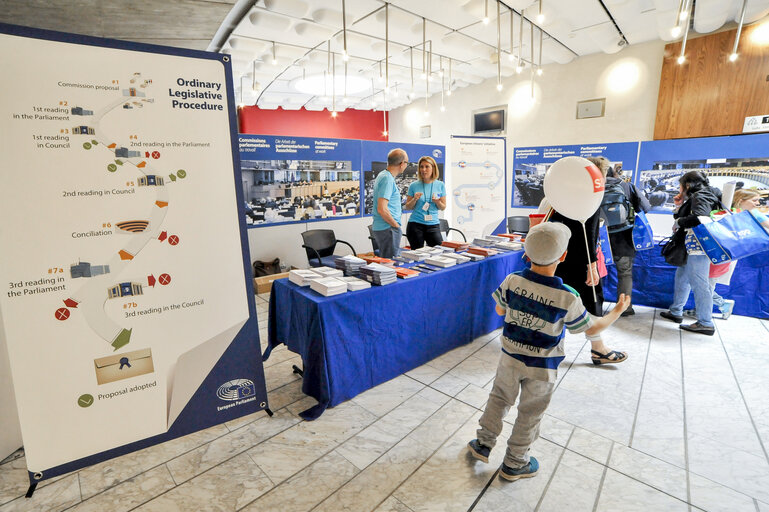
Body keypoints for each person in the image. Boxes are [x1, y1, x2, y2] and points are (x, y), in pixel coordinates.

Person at [467, 222, 630, 481]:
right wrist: (616, 312)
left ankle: (483, 444)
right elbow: (591, 328)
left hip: (509, 356)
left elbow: (499, 310)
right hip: (542, 367)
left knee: (498, 398)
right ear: (563, 256)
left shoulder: (513, 280)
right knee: (530, 412)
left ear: (526, 254)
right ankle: (515, 462)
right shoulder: (568, 296)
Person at [541, 157, 628, 365]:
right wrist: (591, 266)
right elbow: (589, 233)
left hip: (555, 257)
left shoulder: (554, 196)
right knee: (587, 303)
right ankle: (598, 349)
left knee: (556, 302)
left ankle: (553, 346)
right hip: (579, 260)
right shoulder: (590, 195)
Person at [683, 188, 769, 320]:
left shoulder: (748, 214)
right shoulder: (731, 214)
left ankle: (709, 309)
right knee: (704, 284)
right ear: (741, 200)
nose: (757, 203)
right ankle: (706, 308)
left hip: (721, 254)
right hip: (722, 252)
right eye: (754, 200)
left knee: (705, 284)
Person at [659, 171, 722, 335]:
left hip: (698, 245)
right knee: (682, 277)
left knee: (699, 283)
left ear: (687, 185)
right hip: (696, 245)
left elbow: (699, 218)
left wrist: (679, 221)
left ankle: (705, 322)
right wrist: (680, 205)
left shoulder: (700, 196)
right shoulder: (711, 193)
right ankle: (676, 311)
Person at [602, 162, 651, 317]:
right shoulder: (627, 186)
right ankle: (624, 308)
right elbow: (646, 207)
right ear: (616, 173)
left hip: (601, 239)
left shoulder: (595, 188)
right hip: (624, 239)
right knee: (625, 273)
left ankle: (592, 305)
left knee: (594, 271)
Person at [372, 148, 408, 258]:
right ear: (402, 164)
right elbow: (382, 209)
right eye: (407, 162)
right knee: (390, 264)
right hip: (388, 228)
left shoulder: (384, 175)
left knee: (388, 262)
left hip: (387, 227)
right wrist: (396, 226)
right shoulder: (387, 179)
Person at [404, 156, 447, 248]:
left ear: (433, 168)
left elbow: (443, 207)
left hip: (433, 225)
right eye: (421, 167)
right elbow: (408, 207)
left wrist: (437, 202)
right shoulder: (413, 185)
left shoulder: (440, 185)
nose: (424, 170)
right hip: (415, 225)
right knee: (417, 255)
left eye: (427, 166)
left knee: (438, 253)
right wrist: (414, 199)